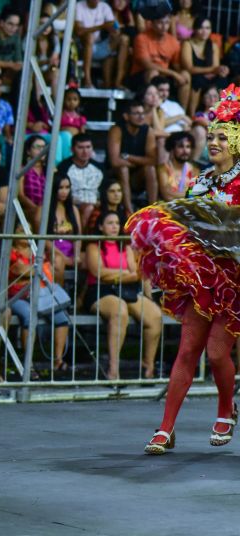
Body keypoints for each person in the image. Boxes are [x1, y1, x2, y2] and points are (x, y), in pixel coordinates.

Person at [127, 84, 240, 454]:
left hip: (236, 281)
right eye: (211, 136)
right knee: (188, 349)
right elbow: (185, 224)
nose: (214, 142)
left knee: (218, 352)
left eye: (222, 136)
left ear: (237, 142)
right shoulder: (200, 182)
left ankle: (226, 408)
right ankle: (165, 428)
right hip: (203, 280)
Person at [85, 210, 162, 380]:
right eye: (109, 223)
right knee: (119, 311)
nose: (114, 227)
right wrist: (123, 274)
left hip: (125, 289)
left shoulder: (125, 245)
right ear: (100, 226)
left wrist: (116, 275)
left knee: (155, 315)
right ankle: (113, 369)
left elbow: (135, 273)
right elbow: (98, 273)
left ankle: (147, 368)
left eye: (117, 223)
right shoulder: (93, 245)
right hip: (100, 290)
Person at [8, 223, 70, 373]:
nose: (24, 232)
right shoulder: (10, 252)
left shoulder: (37, 252)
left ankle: (58, 360)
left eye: (27, 229)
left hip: (41, 296)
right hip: (18, 296)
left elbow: (50, 270)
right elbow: (21, 270)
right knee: (29, 316)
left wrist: (37, 269)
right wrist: (42, 268)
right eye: (20, 229)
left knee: (62, 318)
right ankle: (28, 364)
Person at [129, 14, 191, 108]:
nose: (164, 26)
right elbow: (147, 65)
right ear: (152, 24)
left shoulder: (172, 41)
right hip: (142, 75)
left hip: (165, 76)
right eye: (160, 23)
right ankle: (152, 109)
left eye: (166, 23)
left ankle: (181, 112)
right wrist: (174, 74)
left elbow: (176, 65)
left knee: (185, 75)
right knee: (153, 73)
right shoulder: (141, 38)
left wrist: (180, 74)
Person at [107, 100, 157, 212]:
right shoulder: (117, 130)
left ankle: (153, 209)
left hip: (136, 174)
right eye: (136, 113)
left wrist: (128, 157)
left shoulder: (148, 130)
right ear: (126, 116)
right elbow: (115, 161)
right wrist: (140, 161)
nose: (141, 117)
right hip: (115, 175)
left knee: (150, 169)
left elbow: (153, 160)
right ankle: (129, 211)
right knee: (123, 169)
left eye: (142, 113)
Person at [181, 16, 229, 115]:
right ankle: (191, 114)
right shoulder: (187, 44)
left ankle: (223, 115)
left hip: (209, 76)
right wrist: (212, 70)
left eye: (207, 28)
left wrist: (222, 70)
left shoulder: (214, 46)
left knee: (222, 80)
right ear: (195, 29)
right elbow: (189, 68)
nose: (204, 31)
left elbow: (216, 67)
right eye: (201, 28)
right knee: (197, 81)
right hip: (195, 75)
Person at [56, 133, 105, 227]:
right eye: (80, 147)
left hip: (96, 205)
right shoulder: (64, 167)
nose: (85, 151)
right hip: (72, 204)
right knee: (88, 208)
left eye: (88, 147)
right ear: (72, 149)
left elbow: (104, 190)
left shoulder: (99, 168)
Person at [75, 0, 126, 88]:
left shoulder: (104, 7)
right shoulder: (79, 6)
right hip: (82, 47)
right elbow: (79, 31)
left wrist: (115, 29)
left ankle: (118, 82)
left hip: (100, 45)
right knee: (89, 37)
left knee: (124, 39)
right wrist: (102, 26)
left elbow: (115, 26)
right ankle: (87, 81)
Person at [41, 174, 82, 286]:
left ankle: (81, 298)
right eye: (60, 188)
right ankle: (59, 296)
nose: (64, 191)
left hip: (71, 253)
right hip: (52, 252)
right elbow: (43, 239)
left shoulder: (73, 209)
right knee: (58, 260)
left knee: (90, 259)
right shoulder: (43, 210)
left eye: (67, 187)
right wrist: (65, 258)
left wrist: (77, 255)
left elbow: (78, 236)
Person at [158, 131, 198, 200]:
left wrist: (174, 193)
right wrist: (189, 192)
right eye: (180, 147)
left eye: (188, 147)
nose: (185, 151)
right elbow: (167, 196)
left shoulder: (194, 170)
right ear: (172, 149)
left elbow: (197, 194)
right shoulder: (163, 169)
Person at [18, 135, 48, 223]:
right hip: (28, 210)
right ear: (28, 151)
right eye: (38, 147)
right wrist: (37, 209)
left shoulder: (51, 170)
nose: (42, 150)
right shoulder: (22, 169)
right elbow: (20, 195)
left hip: (46, 210)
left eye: (44, 147)